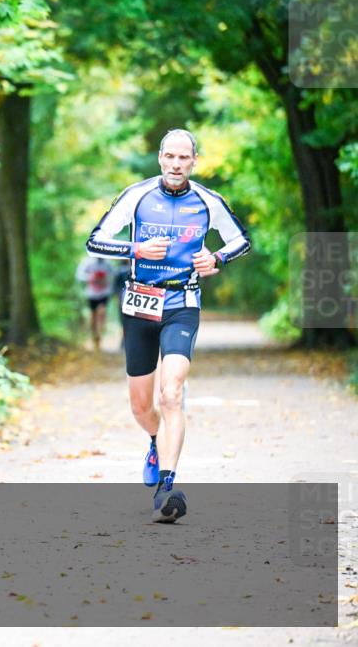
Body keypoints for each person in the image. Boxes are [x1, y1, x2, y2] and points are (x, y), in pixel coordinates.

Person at [86, 129, 250, 523]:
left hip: (182, 301)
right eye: (170, 157)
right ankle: (154, 441)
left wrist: (218, 260)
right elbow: (95, 241)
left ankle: (167, 485)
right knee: (142, 406)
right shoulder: (137, 196)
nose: (177, 165)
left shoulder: (208, 201)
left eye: (184, 158)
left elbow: (240, 240)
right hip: (140, 302)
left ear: (194, 162)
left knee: (172, 392)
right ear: (160, 158)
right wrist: (134, 249)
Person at [75, 255, 113, 349]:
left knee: (102, 311)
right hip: (92, 293)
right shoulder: (87, 261)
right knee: (93, 314)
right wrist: (91, 276)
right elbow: (79, 275)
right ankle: (94, 336)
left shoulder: (107, 261)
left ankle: (100, 335)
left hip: (104, 292)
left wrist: (106, 277)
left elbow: (113, 273)